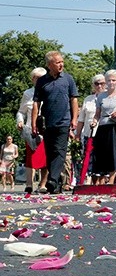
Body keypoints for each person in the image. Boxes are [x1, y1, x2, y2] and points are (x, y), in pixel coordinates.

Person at [31, 50, 79, 194]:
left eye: (62, 61)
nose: (61, 64)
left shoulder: (68, 79)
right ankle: (56, 185)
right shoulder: (42, 81)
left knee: (60, 150)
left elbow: (74, 99)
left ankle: (52, 179)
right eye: (57, 62)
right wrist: (34, 123)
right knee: (51, 152)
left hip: (64, 121)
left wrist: (74, 118)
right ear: (49, 65)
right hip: (47, 122)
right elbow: (36, 103)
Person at [16, 67, 49, 193]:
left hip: (46, 130)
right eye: (36, 78)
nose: (38, 80)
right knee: (31, 158)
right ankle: (29, 184)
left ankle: (43, 184)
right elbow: (21, 111)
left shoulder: (49, 92)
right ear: (32, 79)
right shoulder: (27, 94)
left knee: (45, 159)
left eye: (41, 78)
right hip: (31, 130)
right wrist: (20, 121)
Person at [75, 74, 105, 185]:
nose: (99, 86)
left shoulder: (108, 98)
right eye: (97, 83)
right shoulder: (88, 99)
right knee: (89, 159)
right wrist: (77, 134)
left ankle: (102, 183)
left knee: (101, 160)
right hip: (89, 133)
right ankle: (91, 182)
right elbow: (81, 119)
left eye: (102, 83)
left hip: (103, 134)